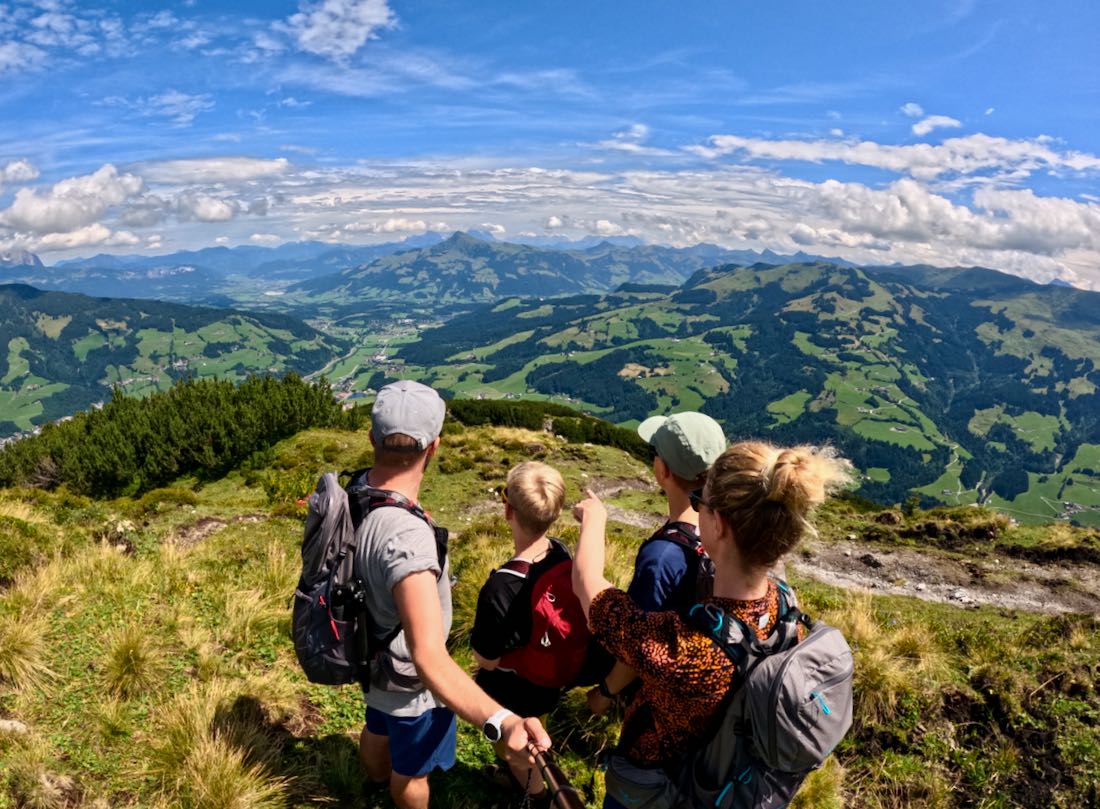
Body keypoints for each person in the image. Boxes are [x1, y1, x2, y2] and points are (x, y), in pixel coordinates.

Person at [571, 441, 851, 809]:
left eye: (699, 501)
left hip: (660, 791)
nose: (696, 507)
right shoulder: (785, 605)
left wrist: (595, 519)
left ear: (718, 523)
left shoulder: (686, 651)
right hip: (730, 782)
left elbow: (585, 581)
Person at [355, 380, 550, 809]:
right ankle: (392, 788)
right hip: (411, 681)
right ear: (434, 447)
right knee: (411, 773)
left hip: (369, 653)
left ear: (372, 438)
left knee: (378, 725)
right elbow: (427, 655)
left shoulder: (356, 493)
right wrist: (502, 720)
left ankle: (372, 782)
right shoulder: (407, 540)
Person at [587, 411, 726, 715]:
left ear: (663, 470)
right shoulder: (725, 528)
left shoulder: (662, 556)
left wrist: (604, 693)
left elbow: (640, 645)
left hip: (657, 704)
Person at [470, 461, 572, 807]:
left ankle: (535, 796)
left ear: (508, 510)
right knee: (536, 728)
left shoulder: (501, 586)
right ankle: (524, 778)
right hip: (549, 678)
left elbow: (487, 659)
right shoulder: (561, 553)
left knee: (515, 747)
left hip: (511, 690)